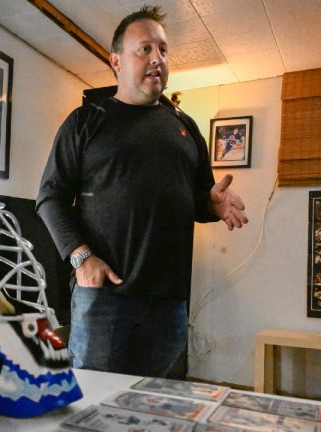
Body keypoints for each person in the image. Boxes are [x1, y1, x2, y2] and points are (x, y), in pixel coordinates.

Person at [35, 5, 247, 377]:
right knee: (93, 404)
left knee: (155, 406)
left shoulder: (186, 128)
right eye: (144, 49)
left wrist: (211, 204)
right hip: (102, 298)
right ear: (116, 61)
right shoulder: (86, 122)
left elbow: (198, 199)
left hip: (168, 305)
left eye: (163, 50)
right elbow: (50, 197)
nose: (157, 59)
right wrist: (80, 258)